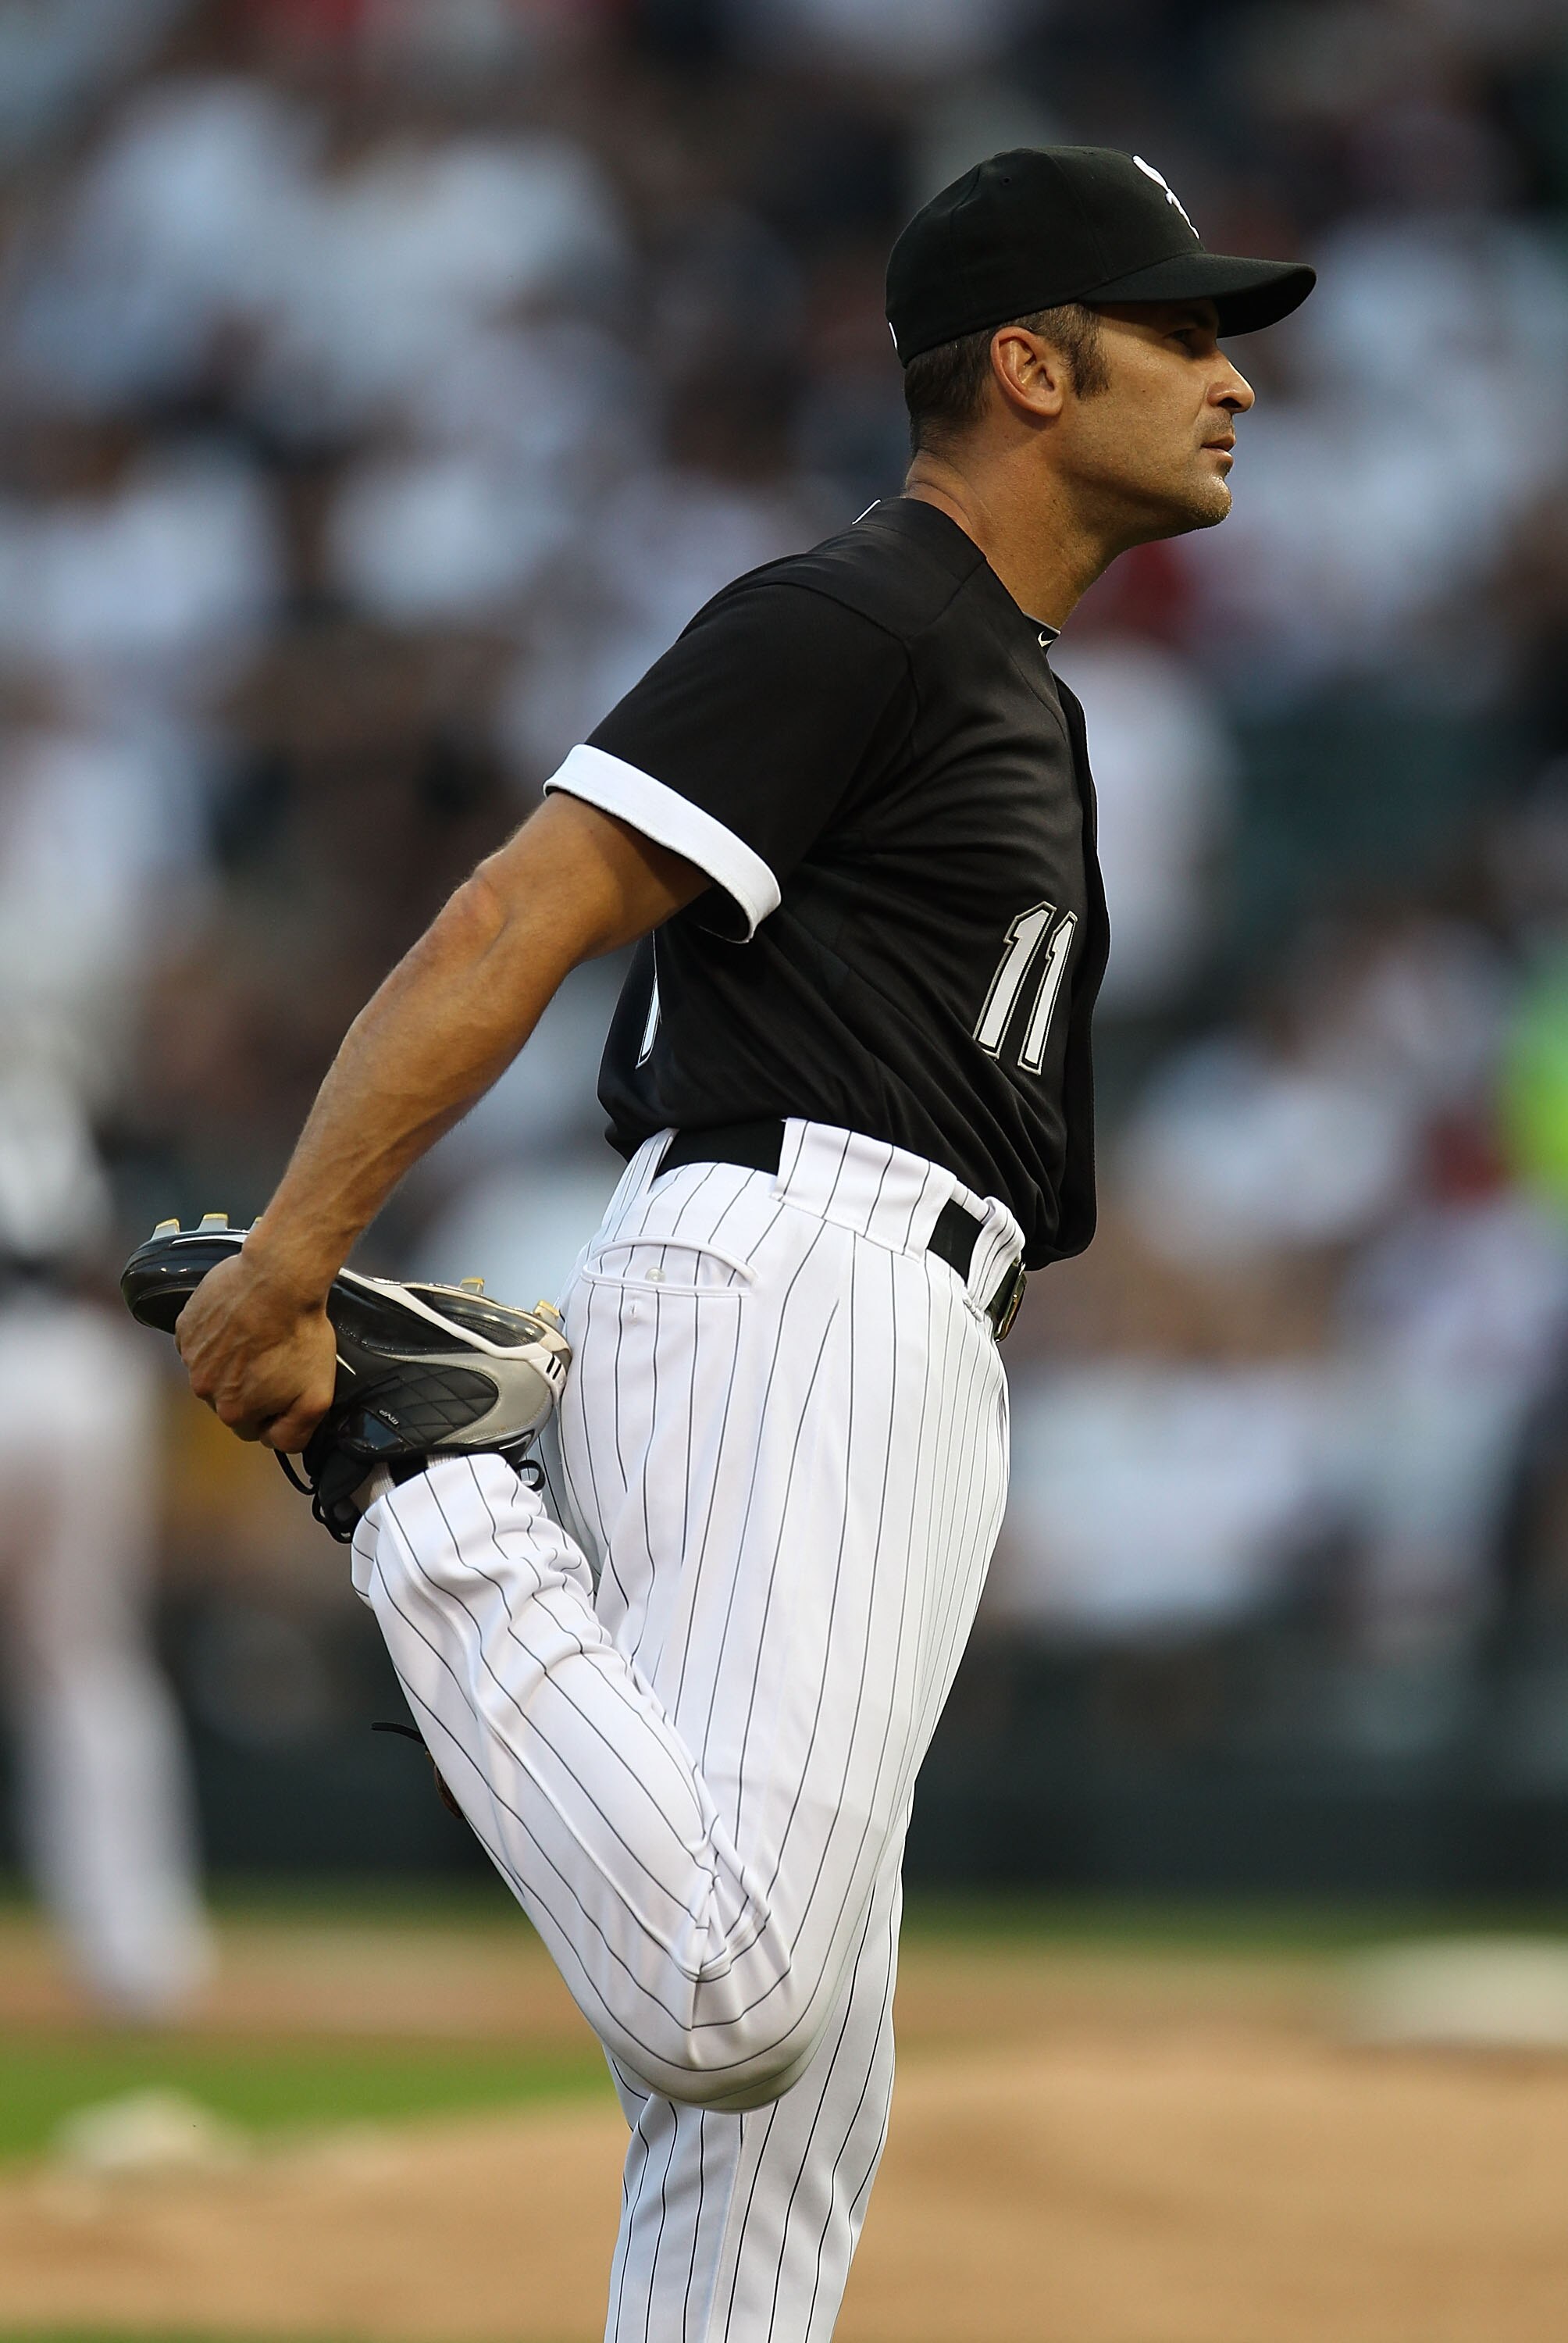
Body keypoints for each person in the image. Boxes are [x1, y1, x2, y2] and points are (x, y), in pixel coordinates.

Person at [171, 148, 1312, 2341]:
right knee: (729, 2000)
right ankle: (421, 1472)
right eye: (1182, 329)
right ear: (1032, 364)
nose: (1230, 375)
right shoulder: (859, 614)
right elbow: (519, 910)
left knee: (783, 2140)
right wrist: (305, 1252)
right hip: (796, 1277)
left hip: (910, 1325)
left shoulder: (1004, 675)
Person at [0, 1064, 210, 2018]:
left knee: (83, 1666)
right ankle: (140, 1956)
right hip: (83, 1373)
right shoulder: (34, 1094)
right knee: (89, 1664)